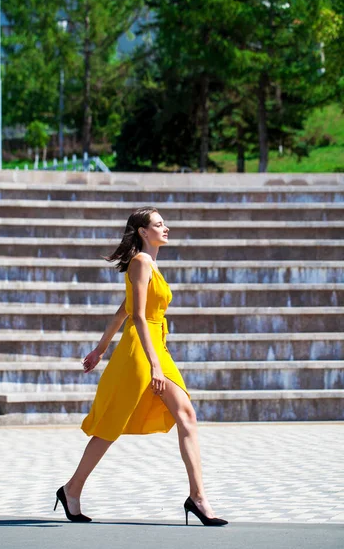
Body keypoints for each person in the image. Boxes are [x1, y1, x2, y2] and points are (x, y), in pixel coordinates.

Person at [54, 207, 228, 526]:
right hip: (141, 351)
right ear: (143, 232)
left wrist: (99, 348)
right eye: (159, 224)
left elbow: (124, 308)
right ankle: (72, 488)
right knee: (113, 423)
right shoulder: (141, 261)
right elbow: (136, 316)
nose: (166, 228)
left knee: (186, 415)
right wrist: (154, 366)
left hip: (155, 346)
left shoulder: (149, 264)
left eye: (164, 223)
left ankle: (198, 497)